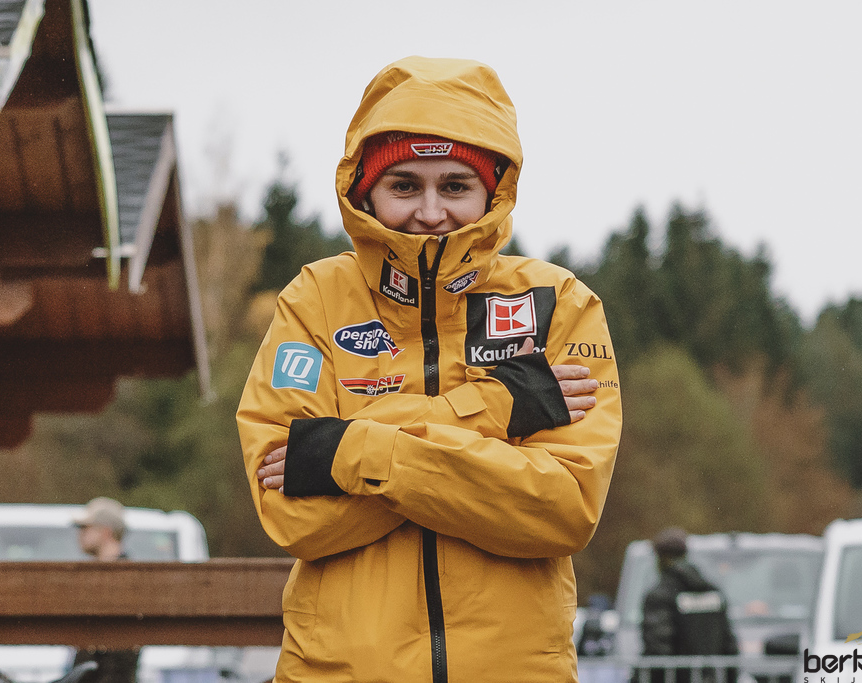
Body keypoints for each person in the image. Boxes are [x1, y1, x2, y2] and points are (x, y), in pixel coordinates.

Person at [237, 56, 623, 682]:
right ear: (366, 191)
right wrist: (493, 409)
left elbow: (562, 509)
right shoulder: (315, 299)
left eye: (455, 186)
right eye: (404, 185)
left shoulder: (558, 303)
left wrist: (349, 451)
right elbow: (293, 515)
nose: (431, 212)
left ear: (492, 191)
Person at [638, 528, 738, 683]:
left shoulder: (660, 595)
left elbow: (657, 649)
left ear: (661, 558)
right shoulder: (712, 591)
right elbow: (730, 646)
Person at [71, 497, 139, 683]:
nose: (80, 534)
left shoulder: (124, 578)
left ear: (106, 532)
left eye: (86, 528)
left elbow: (121, 653)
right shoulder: (109, 575)